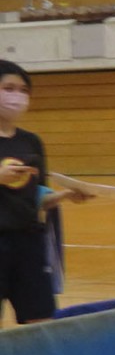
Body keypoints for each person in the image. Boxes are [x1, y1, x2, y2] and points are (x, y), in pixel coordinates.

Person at [0, 62, 85, 326]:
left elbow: (36, 194)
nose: (17, 96)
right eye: (8, 88)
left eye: (23, 90)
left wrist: (63, 196)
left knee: (41, 322)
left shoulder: (31, 141)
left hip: (29, 244)